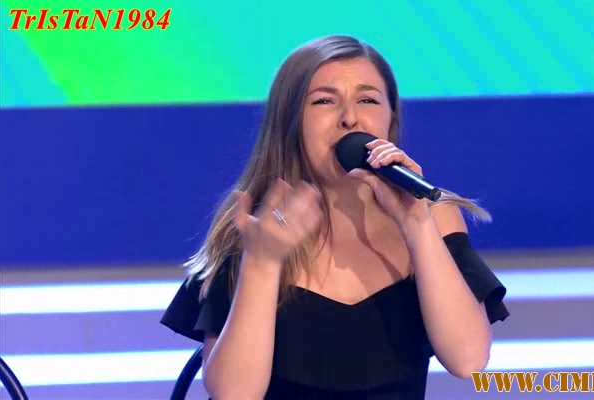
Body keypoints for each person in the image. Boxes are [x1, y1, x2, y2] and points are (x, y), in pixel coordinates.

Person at [161, 34, 509, 399]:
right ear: (290, 121)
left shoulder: (434, 216)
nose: (350, 118)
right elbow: (234, 393)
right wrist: (262, 262)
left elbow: (468, 359)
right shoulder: (256, 226)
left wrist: (416, 224)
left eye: (368, 100)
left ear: (390, 118)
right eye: (324, 101)